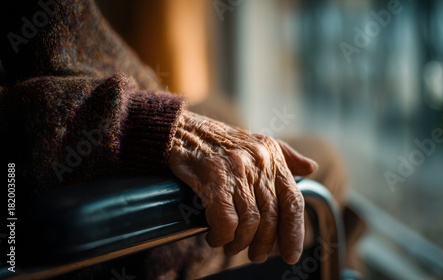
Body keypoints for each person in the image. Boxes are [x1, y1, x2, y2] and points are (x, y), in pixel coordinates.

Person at [0, 1, 364, 279]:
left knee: (224, 107)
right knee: (325, 160)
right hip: (122, 224)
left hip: (115, 99)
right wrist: (152, 126)